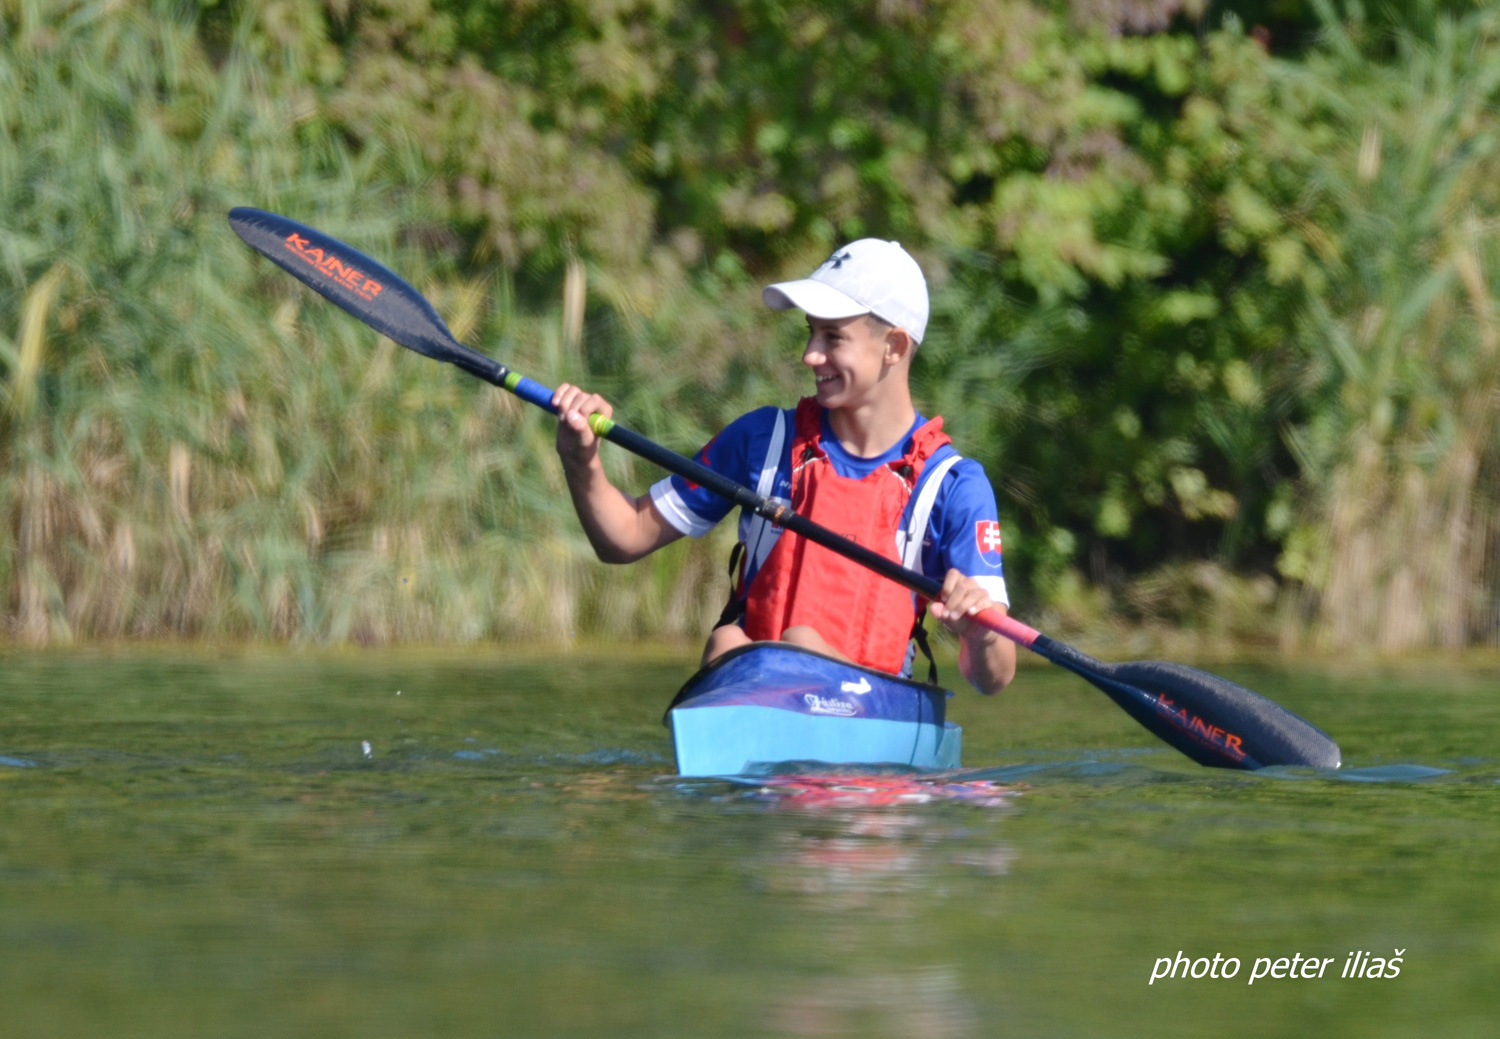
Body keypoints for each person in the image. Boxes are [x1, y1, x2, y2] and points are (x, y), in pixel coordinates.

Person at [551, 239, 1016, 695]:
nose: (810, 355)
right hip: (753, 681)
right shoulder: (761, 442)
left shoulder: (951, 485)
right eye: (810, 332)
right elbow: (626, 536)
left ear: (893, 345)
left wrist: (983, 633)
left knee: (796, 641)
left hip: (873, 726)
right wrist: (581, 459)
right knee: (727, 641)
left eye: (833, 337)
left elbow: (993, 677)